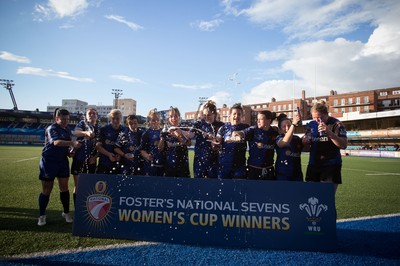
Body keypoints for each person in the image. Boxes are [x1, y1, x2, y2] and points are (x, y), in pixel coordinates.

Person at [38, 109, 80, 226]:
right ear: (57, 118)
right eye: (63, 119)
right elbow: (56, 143)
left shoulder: (67, 130)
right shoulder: (52, 128)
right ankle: (42, 215)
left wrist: (71, 152)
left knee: (64, 188)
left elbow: (67, 149)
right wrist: (72, 143)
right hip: (49, 162)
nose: (66, 121)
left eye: (67, 119)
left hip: (62, 162)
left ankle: (66, 213)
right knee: (47, 190)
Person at [302, 100, 347, 193]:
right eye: (314, 117)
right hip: (313, 164)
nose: (316, 120)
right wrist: (305, 141)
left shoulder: (336, 124)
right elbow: (307, 146)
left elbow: (343, 145)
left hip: (331, 166)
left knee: (326, 198)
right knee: (311, 197)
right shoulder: (311, 124)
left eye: (319, 117)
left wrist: (329, 132)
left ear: (326, 114)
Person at [232, 110, 278, 180]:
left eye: (261, 119)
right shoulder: (253, 130)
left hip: (269, 170)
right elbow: (240, 132)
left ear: (269, 120)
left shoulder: (274, 132)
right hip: (253, 170)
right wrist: (236, 134)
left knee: (268, 190)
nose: (258, 121)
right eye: (257, 119)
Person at [71, 108, 99, 205]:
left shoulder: (99, 128)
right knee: (78, 186)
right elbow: (75, 132)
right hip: (79, 159)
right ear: (86, 116)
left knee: (90, 186)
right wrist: (85, 133)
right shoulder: (82, 124)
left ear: (97, 116)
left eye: (94, 113)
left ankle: (87, 208)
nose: (91, 115)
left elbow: (100, 146)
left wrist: (95, 157)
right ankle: (77, 210)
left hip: (92, 161)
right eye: (89, 113)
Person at [190, 100, 224, 178]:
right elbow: (189, 134)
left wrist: (216, 143)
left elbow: (223, 143)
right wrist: (180, 131)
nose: (206, 117)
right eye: (204, 115)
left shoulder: (221, 126)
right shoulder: (199, 124)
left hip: (214, 162)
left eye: (209, 115)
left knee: (213, 186)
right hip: (199, 161)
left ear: (214, 114)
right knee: (198, 186)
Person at [216, 103, 249, 179]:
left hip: (239, 167)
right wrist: (215, 143)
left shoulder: (246, 128)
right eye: (234, 114)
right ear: (230, 115)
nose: (236, 116)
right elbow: (216, 143)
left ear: (242, 116)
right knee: (223, 189)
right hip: (224, 166)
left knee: (238, 189)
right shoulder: (223, 128)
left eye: (239, 114)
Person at [158, 107, 191, 177]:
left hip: (182, 163)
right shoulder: (165, 130)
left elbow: (189, 143)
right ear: (168, 119)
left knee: (183, 185)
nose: (173, 118)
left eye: (176, 116)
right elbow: (160, 148)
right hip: (169, 164)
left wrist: (178, 136)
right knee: (169, 186)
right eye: (171, 116)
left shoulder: (184, 128)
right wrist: (162, 138)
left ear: (179, 117)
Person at [275, 112, 303, 181]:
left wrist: (306, 141)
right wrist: (293, 124)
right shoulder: (279, 138)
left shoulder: (297, 139)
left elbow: (306, 148)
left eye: (289, 125)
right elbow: (285, 142)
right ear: (280, 129)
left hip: (297, 175)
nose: (287, 128)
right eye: (284, 126)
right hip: (282, 175)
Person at [96, 109, 124, 174]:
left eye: (118, 118)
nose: (115, 120)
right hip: (104, 162)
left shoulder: (124, 130)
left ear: (121, 119)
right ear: (110, 119)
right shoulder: (103, 129)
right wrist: (108, 154)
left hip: (119, 163)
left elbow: (125, 147)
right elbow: (98, 146)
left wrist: (120, 155)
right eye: (113, 118)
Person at [139, 109, 165, 176]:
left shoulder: (163, 132)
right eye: (153, 120)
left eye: (157, 120)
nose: (156, 122)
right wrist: (147, 156)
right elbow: (142, 150)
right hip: (150, 165)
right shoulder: (146, 133)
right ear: (149, 121)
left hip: (163, 165)